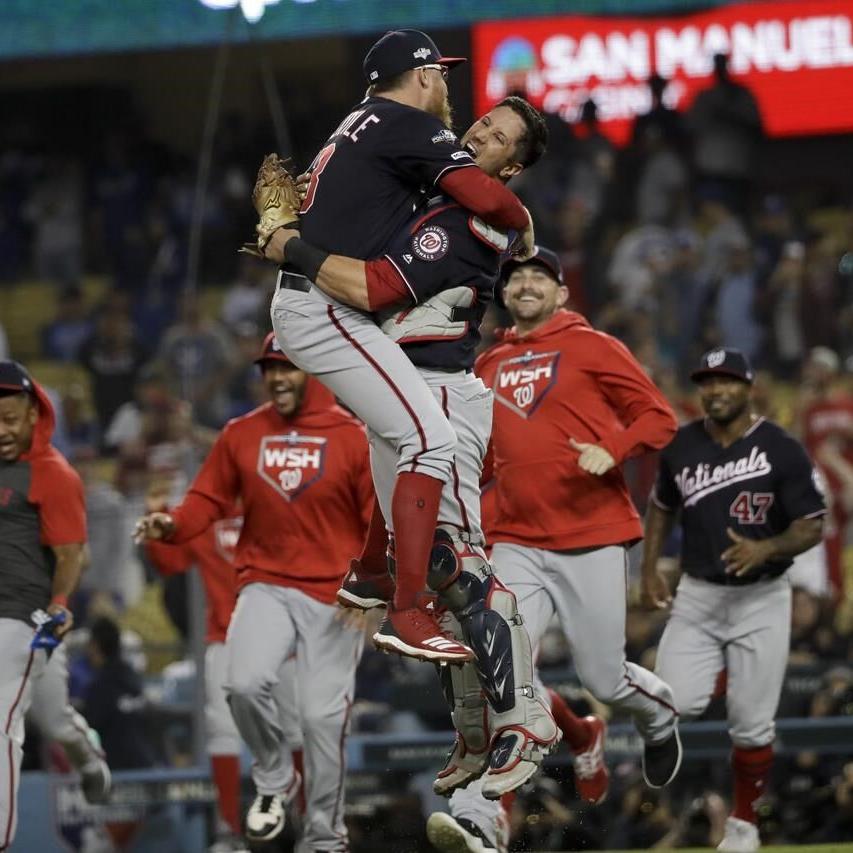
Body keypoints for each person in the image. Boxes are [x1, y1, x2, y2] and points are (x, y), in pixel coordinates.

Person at [267, 98, 560, 801]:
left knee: (454, 560)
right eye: (482, 121)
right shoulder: (429, 193)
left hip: (439, 396)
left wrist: (289, 247)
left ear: (511, 167)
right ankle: (472, 728)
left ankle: (524, 719)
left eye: (497, 137)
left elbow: (372, 288)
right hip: (397, 400)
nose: (478, 131)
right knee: (425, 568)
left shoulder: (474, 219)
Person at [268, 28, 536, 663]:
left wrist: (292, 243)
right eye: (440, 74)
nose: (447, 87)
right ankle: (408, 611)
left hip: (328, 305)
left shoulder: (360, 123)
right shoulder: (407, 123)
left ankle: (371, 574)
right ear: (420, 77)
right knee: (428, 439)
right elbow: (487, 198)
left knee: (409, 438)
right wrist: (523, 221)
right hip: (328, 306)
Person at [429, 250, 681, 852]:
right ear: (504, 295)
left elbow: (659, 418)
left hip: (590, 535)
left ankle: (656, 713)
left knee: (603, 673)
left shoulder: (593, 346)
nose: (526, 284)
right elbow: (480, 460)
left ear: (562, 295)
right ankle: (479, 819)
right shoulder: (486, 364)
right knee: (501, 672)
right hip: (516, 540)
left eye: (540, 276)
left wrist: (614, 448)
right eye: (515, 277)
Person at [134, 333, 372, 850]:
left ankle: (325, 838)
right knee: (241, 685)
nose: (278, 377)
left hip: (334, 596)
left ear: (314, 370)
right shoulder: (242, 433)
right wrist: (171, 525)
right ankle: (273, 778)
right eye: (270, 368)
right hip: (266, 582)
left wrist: (373, 587)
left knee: (319, 719)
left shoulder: (353, 435)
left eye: (288, 368)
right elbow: (206, 498)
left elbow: (377, 519)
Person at [641, 347, 826, 853]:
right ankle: (652, 722)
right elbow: (661, 507)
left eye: (727, 381)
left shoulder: (780, 448)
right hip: (698, 596)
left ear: (749, 388)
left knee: (751, 723)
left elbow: (812, 525)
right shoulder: (681, 445)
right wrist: (651, 568)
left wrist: (767, 546)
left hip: (762, 597)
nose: (716, 390)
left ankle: (744, 823)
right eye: (708, 382)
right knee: (676, 700)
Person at [0, 360, 88, 848]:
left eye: (10, 418)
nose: (1, 430)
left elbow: (72, 552)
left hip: (24, 618)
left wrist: (58, 601)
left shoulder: (53, 473)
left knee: (9, 719)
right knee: (48, 717)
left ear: (34, 414)